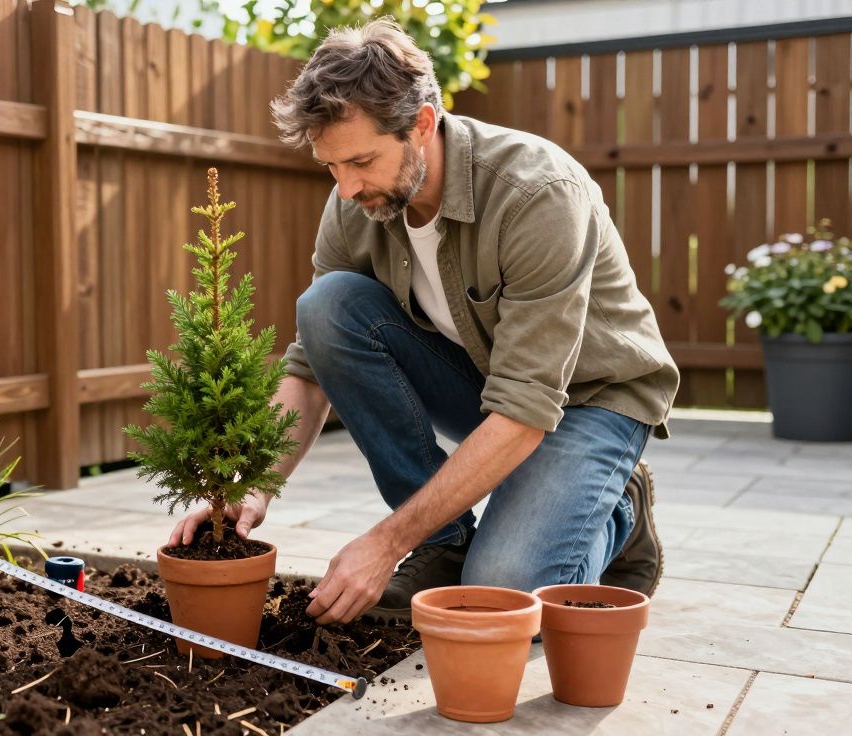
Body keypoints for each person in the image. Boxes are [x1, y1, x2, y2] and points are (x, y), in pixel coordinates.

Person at [167, 18, 679, 626]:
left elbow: (525, 406)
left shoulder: (535, 192)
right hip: (490, 386)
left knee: (499, 598)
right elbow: (310, 367)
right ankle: (443, 543)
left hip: (593, 401)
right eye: (332, 166)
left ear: (423, 124)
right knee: (328, 305)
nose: (347, 186)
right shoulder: (356, 201)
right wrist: (249, 490)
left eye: (361, 161)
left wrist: (385, 542)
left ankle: (619, 504)